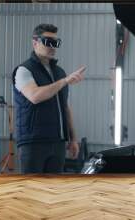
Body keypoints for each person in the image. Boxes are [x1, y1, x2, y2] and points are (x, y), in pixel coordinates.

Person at [12, 23, 86, 173]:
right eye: (48, 42)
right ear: (35, 43)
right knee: (32, 190)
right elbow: (34, 96)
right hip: (33, 143)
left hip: (58, 142)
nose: (53, 47)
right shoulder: (24, 70)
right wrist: (64, 81)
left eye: (56, 43)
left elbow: (65, 107)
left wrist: (73, 139)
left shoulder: (59, 72)